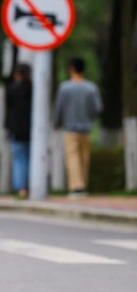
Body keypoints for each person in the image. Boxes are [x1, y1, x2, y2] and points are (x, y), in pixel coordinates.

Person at [54, 57, 103, 198]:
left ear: (71, 69)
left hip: (70, 128)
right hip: (86, 128)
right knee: (84, 158)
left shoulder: (64, 88)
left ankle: (76, 187)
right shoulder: (91, 87)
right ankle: (83, 185)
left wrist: (56, 123)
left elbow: (59, 108)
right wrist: (90, 118)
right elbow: (98, 108)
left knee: (72, 157)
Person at [5, 63, 32, 199]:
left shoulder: (11, 89)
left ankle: (21, 189)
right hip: (31, 130)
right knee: (29, 159)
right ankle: (30, 185)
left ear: (17, 74)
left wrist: (7, 127)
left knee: (19, 160)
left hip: (16, 130)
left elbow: (8, 110)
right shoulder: (33, 89)